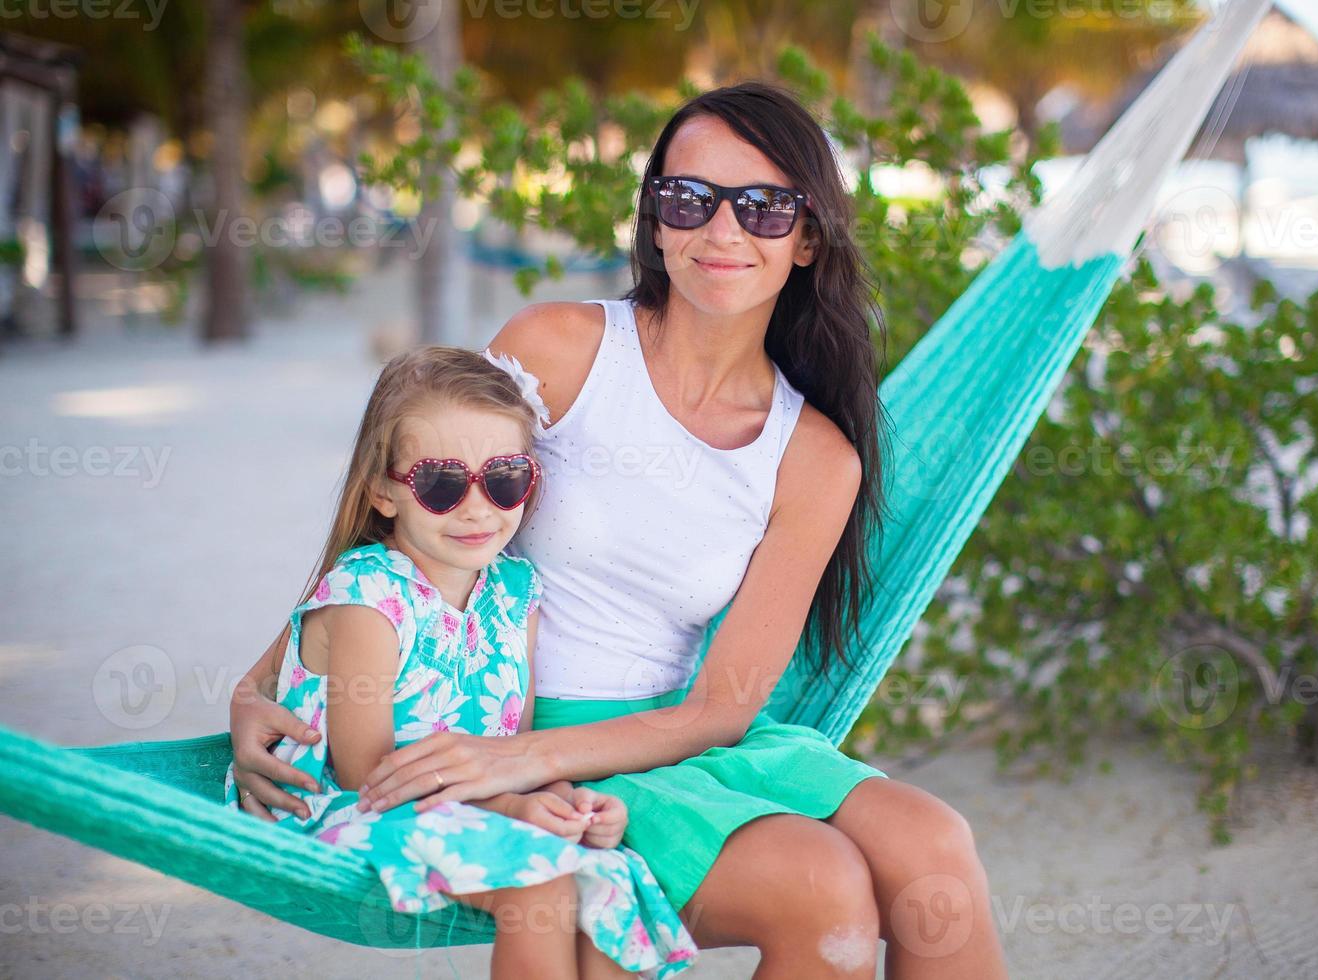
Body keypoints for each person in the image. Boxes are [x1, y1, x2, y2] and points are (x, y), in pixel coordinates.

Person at [233, 81, 1009, 978]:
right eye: (690, 199)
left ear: (806, 237)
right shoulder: (561, 350)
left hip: (671, 737)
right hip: (511, 725)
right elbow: (413, 515)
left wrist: (514, 760)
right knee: (821, 885)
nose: (723, 232)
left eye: (764, 207)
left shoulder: (817, 458)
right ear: (655, 221)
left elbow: (723, 707)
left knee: (935, 848)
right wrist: (258, 689)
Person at [223, 345, 698, 979]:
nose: (478, 507)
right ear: (384, 495)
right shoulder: (368, 596)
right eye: (442, 484)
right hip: (355, 811)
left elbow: (515, 746)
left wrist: (567, 804)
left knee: (606, 877)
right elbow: (368, 772)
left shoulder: (515, 592)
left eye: (504, 479)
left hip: (472, 805)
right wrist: (510, 811)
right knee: (542, 887)